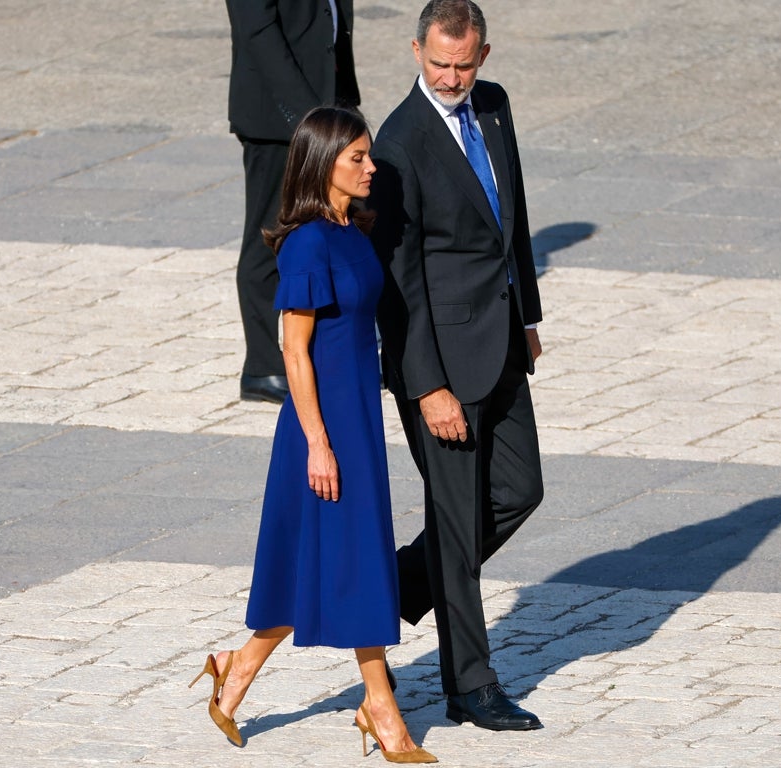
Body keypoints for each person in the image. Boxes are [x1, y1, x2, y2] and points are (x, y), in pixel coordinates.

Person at [190, 107, 437, 765]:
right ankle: (381, 707)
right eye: (356, 156)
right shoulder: (306, 243)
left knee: (318, 565)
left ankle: (234, 671)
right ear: (323, 161)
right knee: (355, 559)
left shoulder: (351, 228)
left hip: (354, 417)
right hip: (320, 428)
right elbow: (293, 352)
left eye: (367, 155)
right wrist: (319, 442)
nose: (370, 167)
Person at [368, 0, 546, 732]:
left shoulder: (494, 108)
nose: (449, 77)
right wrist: (427, 384)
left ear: (484, 55)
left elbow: (516, 218)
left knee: (519, 490)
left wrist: (527, 314)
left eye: (462, 65)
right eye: (437, 63)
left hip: (500, 339)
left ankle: (396, 586)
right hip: (438, 362)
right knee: (456, 515)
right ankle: (469, 688)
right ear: (416, 51)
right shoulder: (400, 143)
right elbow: (398, 280)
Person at [224, 1, 361, 403]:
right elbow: (258, 32)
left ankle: (329, 352)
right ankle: (264, 367)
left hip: (325, 106)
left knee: (329, 227)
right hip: (280, 119)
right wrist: (308, 117)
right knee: (271, 233)